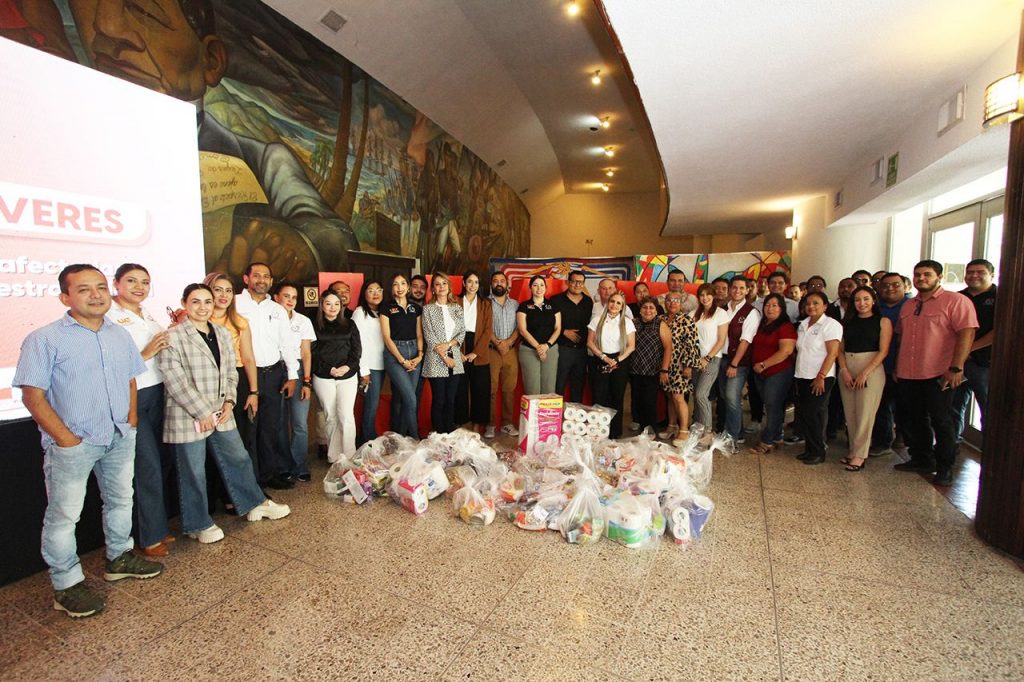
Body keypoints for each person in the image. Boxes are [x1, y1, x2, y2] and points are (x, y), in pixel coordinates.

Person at [65, 0, 357, 283]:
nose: (107, 28)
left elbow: (335, 233)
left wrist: (301, 245)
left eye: (144, 12)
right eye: (90, 8)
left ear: (211, 59)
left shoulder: (264, 160)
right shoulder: (69, 141)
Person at [14, 264, 163, 618]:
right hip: (74, 443)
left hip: (118, 434)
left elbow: (130, 379)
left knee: (120, 500)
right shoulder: (44, 339)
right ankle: (66, 584)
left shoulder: (118, 334)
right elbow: (32, 396)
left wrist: (130, 419)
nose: (96, 295)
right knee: (65, 515)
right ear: (64, 297)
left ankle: (119, 557)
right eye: (84, 289)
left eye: (100, 287)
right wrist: (65, 438)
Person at [160, 283, 290, 547]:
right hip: (189, 415)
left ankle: (254, 503)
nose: (203, 307)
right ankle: (197, 523)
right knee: (193, 471)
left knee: (238, 457)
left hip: (222, 411)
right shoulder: (172, 336)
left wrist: (230, 400)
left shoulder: (220, 332)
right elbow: (174, 380)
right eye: (196, 302)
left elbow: (231, 371)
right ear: (184, 303)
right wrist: (202, 412)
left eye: (207, 302)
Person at [108, 263, 174, 557]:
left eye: (144, 282)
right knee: (147, 466)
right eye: (132, 281)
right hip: (133, 396)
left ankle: (157, 526)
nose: (139, 287)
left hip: (160, 391)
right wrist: (145, 353)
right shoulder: (109, 318)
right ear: (116, 283)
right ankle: (149, 538)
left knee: (161, 462)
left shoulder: (147, 314)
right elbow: (110, 365)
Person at [894, 260, 977, 486]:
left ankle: (944, 467)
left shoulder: (956, 301)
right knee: (914, 419)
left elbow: (967, 334)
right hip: (909, 373)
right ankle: (922, 459)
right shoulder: (908, 305)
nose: (921, 278)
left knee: (942, 421)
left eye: (927, 274)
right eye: (918, 274)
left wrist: (956, 367)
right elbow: (902, 338)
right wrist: (898, 368)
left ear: (939, 277)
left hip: (940, 373)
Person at [234, 262, 299, 490]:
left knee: (271, 427)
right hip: (244, 375)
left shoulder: (277, 309)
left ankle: (269, 474)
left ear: (271, 281)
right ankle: (250, 480)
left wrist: (292, 376)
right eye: (256, 275)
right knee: (248, 427)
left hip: (273, 374)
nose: (261, 280)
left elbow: (287, 344)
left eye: (266, 276)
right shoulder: (235, 303)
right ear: (246, 279)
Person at [836, 286, 892, 471]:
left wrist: (865, 373)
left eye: (866, 299)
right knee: (850, 413)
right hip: (847, 367)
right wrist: (844, 370)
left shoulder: (883, 321)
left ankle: (860, 455)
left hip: (871, 368)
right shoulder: (846, 322)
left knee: (865, 414)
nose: (862, 303)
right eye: (857, 300)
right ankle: (853, 450)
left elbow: (883, 351)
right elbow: (840, 350)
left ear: (873, 300)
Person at [312, 289, 362, 461]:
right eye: (328, 304)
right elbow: (312, 353)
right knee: (330, 416)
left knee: (346, 415)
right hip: (323, 377)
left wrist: (347, 367)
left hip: (347, 376)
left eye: (336, 304)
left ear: (341, 306)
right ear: (322, 305)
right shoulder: (314, 325)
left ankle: (349, 455)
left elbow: (356, 351)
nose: (332, 308)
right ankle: (334, 457)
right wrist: (329, 369)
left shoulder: (350, 324)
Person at [793, 291, 842, 465]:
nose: (811, 306)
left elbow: (833, 353)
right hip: (802, 375)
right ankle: (810, 449)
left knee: (813, 413)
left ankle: (818, 451)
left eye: (816, 303)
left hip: (821, 376)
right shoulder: (803, 324)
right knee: (805, 414)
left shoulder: (830, 325)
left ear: (825, 306)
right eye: (808, 303)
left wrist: (821, 376)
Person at [273, 282, 316, 481]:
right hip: (275, 370)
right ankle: (284, 465)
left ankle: (300, 465)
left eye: (294, 297)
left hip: (298, 371)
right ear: (276, 297)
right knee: (279, 422)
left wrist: (306, 381)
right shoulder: (269, 319)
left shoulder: (303, 321)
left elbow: (306, 353)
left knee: (299, 422)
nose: (290, 300)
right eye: (286, 296)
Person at [951, 258, 996, 442]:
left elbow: (999, 330)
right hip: (956, 363)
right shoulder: (957, 298)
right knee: (953, 407)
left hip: (985, 363)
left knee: (988, 409)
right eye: (970, 272)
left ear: (991, 275)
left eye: (980, 272)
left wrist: (968, 349)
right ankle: (951, 447)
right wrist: (960, 355)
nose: (974, 275)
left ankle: (990, 452)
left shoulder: (1002, 298)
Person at [747, 294, 797, 454]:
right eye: (768, 305)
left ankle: (767, 441)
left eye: (775, 305)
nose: (770, 308)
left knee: (772, 405)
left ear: (782, 308)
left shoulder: (785, 326)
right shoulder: (763, 324)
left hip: (778, 372)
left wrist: (764, 364)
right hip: (760, 373)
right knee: (772, 405)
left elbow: (786, 351)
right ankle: (777, 437)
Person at [870, 271, 911, 455]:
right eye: (885, 285)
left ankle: (905, 439)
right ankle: (883, 442)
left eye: (895, 285)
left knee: (905, 406)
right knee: (881, 405)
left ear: (905, 286)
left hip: (907, 366)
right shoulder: (875, 307)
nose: (890, 289)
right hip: (879, 364)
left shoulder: (911, 306)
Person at [421, 272, 466, 433]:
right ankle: (438, 433)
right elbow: (429, 336)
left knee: (450, 399)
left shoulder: (457, 308)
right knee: (439, 399)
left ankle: (449, 432)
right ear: (433, 289)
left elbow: (462, 332)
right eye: (438, 284)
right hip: (436, 358)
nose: (441, 287)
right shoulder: (428, 309)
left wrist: (449, 344)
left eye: (444, 283)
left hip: (455, 355)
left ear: (449, 286)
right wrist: (445, 358)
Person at [380, 274, 424, 439]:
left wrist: (420, 355)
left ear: (408, 287)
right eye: (395, 284)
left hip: (414, 353)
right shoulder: (386, 307)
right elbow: (386, 337)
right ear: (391, 288)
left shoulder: (415, 308)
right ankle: (416, 439)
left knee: (407, 400)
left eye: (403, 283)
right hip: (395, 355)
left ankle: (402, 439)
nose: (400, 287)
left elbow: (419, 334)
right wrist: (402, 360)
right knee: (411, 399)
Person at [587, 291, 635, 438]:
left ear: (622, 306)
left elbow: (631, 346)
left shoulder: (627, 322)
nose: (615, 305)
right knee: (599, 396)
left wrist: (617, 360)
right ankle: (598, 432)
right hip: (600, 358)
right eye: (612, 301)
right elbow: (590, 342)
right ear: (608, 303)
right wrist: (603, 357)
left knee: (617, 397)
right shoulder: (597, 320)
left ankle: (614, 432)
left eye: (618, 303)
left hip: (619, 361)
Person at [720, 276, 761, 442]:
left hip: (738, 362)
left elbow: (746, 341)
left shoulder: (751, 312)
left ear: (747, 290)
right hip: (721, 358)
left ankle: (733, 435)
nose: (737, 291)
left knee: (732, 396)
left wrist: (734, 364)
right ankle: (736, 430)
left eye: (742, 288)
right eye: (734, 287)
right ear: (730, 289)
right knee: (726, 397)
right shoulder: (722, 309)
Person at [455, 271, 492, 433]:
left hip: (479, 347)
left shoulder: (485, 303)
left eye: (476, 282)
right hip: (458, 345)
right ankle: (461, 424)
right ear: (464, 283)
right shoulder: (455, 301)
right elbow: (450, 327)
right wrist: (457, 351)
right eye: (469, 281)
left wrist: (476, 352)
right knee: (459, 387)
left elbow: (488, 330)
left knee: (480, 388)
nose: (473, 285)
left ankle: (477, 425)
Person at [688, 284, 728, 431]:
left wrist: (707, 359)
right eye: (702, 295)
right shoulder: (693, 314)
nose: (705, 298)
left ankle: (707, 430)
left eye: (708, 294)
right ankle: (697, 426)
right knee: (696, 395)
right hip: (695, 359)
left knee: (701, 394)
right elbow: (689, 338)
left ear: (713, 295)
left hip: (712, 358)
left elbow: (721, 340)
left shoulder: (720, 313)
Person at [486, 271, 520, 438]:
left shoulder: (515, 304)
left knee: (509, 389)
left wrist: (508, 342)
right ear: (491, 284)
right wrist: (498, 342)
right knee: (491, 389)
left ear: (507, 284)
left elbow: (520, 327)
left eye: (502, 281)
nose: (499, 283)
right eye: (495, 281)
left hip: (510, 351)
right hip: (492, 350)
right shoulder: (485, 303)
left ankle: (507, 423)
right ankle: (490, 425)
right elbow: (484, 326)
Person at [630, 298, 672, 434]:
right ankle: (641, 428)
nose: (648, 310)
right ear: (640, 310)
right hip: (635, 369)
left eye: (651, 307)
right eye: (645, 307)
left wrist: (664, 370)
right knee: (637, 399)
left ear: (656, 310)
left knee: (649, 401)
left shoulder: (661, 324)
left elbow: (668, 348)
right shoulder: (634, 323)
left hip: (653, 370)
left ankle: (650, 430)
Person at [352, 280, 386, 445]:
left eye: (378, 289)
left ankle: (366, 440)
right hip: (369, 366)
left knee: (374, 404)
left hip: (382, 364)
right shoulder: (360, 312)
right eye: (371, 290)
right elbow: (357, 342)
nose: (375, 293)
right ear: (364, 294)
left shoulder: (383, 312)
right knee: (371, 405)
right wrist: (363, 370)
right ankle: (367, 442)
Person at [552, 270, 594, 403]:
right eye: (574, 281)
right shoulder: (556, 300)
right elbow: (547, 323)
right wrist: (563, 331)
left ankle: (574, 415)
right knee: (558, 386)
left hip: (582, 351)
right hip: (562, 349)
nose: (577, 285)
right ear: (568, 282)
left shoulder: (588, 301)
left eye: (580, 282)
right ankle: (556, 414)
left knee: (578, 388)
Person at [518, 275, 562, 395]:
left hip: (550, 349)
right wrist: (538, 347)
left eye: (542, 285)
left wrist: (546, 346)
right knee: (532, 389)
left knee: (549, 387)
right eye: (535, 285)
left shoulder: (553, 305)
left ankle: (547, 410)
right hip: (529, 350)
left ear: (546, 287)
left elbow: (558, 328)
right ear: (530, 288)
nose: (539, 288)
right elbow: (522, 330)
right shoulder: (524, 306)